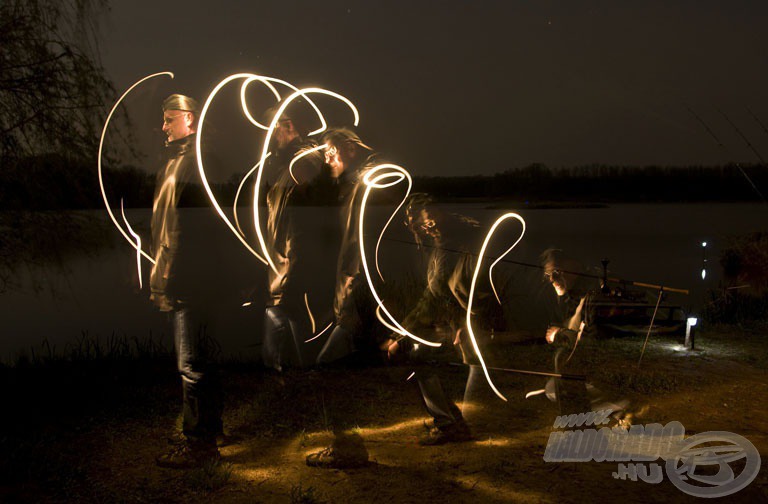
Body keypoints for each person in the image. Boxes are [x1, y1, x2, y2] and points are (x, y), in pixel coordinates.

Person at [150, 94, 223, 468]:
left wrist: (172, 276)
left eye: (168, 119)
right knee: (200, 358)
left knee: (191, 362)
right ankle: (209, 430)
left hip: (188, 279)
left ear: (189, 119)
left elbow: (189, 230)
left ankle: (199, 445)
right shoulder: (179, 162)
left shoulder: (193, 163)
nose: (162, 126)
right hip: (185, 274)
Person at [383, 194, 488, 445]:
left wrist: (402, 335)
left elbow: (433, 296)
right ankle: (452, 421)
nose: (428, 228)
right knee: (430, 361)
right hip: (464, 320)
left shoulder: (452, 244)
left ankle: (453, 425)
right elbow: (437, 294)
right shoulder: (443, 245)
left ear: (440, 213)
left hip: (477, 320)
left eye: (430, 221)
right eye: (420, 225)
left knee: (427, 360)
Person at [262, 103, 325, 371]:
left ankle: (312, 388)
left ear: (289, 126)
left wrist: (294, 272)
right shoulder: (287, 165)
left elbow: (301, 223)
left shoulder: (304, 161)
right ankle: (293, 383)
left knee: (296, 325)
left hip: (294, 269)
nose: (270, 133)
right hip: (282, 269)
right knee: (283, 321)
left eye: (274, 126)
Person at [540, 248, 593, 415]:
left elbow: (595, 341)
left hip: (600, 373)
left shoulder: (591, 295)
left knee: (561, 365)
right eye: (548, 275)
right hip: (582, 371)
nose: (552, 280)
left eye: (557, 272)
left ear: (575, 266)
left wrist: (560, 334)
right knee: (552, 388)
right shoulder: (568, 296)